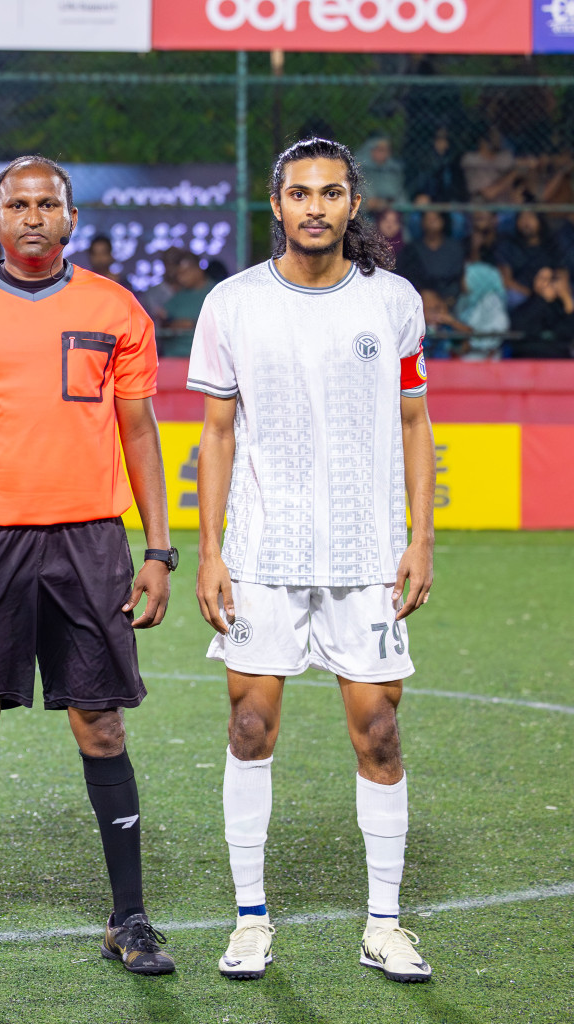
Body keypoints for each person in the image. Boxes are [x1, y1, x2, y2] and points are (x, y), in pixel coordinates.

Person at [0, 155, 175, 977]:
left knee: (101, 725)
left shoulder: (115, 307)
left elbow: (140, 433)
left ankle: (131, 919)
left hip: (90, 542)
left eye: (47, 203)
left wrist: (157, 549)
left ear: (71, 218)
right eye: (17, 203)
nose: (31, 216)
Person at [190, 137, 436, 986]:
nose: (316, 208)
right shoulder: (232, 305)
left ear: (353, 206)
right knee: (250, 728)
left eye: (332, 193)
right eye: (301, 193)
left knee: (379, 732)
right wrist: (210, 549)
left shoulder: (393, 302)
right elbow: (216, 432)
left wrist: (422, 536)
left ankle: (385, 922)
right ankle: (251, 918)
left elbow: (414, 423)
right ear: (276, 204)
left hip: (367, 555)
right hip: (262, 553)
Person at [396, 208, 465, 302]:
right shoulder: (412, 249)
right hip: (419, 298)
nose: (432, 222)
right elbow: (408, 277)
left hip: (449, 299)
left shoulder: (454, 248)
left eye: (435, 219)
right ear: (422, 223)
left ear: (443, 221)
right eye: (428, 219)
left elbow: (456, 277)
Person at [508, 266, 574, 358]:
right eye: (542, 279)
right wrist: (542, 300)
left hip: (558, 361)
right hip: (528, 359)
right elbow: (517, 328)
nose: (546, 284)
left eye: (550, 280)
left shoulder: (561, 308)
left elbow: (567, 333)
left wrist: (566, 298)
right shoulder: (525, 305)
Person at [495, 210, 558, 305]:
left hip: (548, 291)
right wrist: (531, 296)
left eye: (530, 217)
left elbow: (560, 273)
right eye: (522, 217)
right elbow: (506, 281)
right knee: (513, 297)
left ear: (540, 220)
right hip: (520, 294)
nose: (526, 222)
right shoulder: (509, 246)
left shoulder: (551, 246)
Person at [455, 261, 510, 360]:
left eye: (465, 278)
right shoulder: (464, 299)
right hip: (465, 357)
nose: (462, 282)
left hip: (487, 358)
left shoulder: (492, 301)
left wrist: (471, 344)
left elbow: (498, 328)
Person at [164, 253, 213, 353]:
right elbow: (164, 322)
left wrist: (193, 324)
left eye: (185, 273)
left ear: (198, 270)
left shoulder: (216, 292)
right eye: (178, 274)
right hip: (174, 355)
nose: (181, 278)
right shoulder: (179, 296)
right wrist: (171, 324)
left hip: (204, 355)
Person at [357, 137, 406, 211]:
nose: (384, 153)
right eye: (380, 150)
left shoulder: (394, 171)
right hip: (368, 214)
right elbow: (368, 202)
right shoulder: (360, 170)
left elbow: (401, 198)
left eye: (387, 150)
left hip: (393, 212)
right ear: (370, 150)